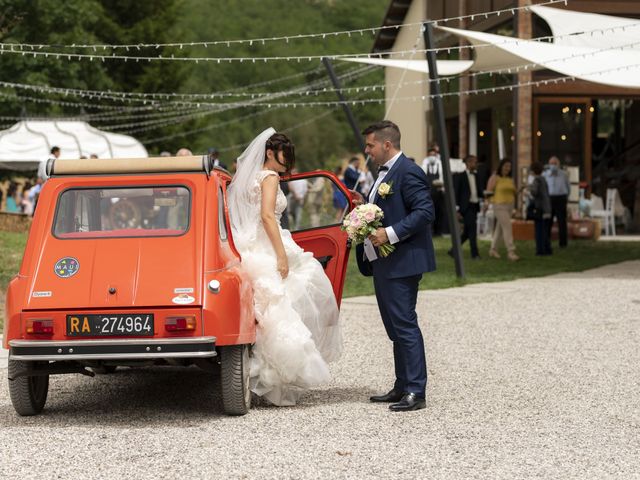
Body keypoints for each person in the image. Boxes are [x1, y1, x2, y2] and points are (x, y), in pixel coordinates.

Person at [227, 128, 341, 406]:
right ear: (269, 153)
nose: (286, 161)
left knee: (268, 309)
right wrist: (280, 254)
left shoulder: (248, 178)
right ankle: (274, 375)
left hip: (250, 243)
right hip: (267, 243)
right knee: (288, 300)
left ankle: (258, 373)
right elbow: (267, 216)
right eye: (283, 155)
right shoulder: (269, 177)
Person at [356, 120, 435, 412]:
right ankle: (402, 385)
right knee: (394, 327)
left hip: (403, 260)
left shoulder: (409, 172)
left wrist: (388, 234)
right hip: (384, 261)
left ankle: (416, 390)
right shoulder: (383, 174)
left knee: (404, 324)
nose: (367, 150)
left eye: (370, 145)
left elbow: (425, 212)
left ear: (387, 145)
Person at [486, 159, 519, 261]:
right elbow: (488, 192)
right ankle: (511, 251)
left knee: (500, 229)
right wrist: (488, 202)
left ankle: (493, 249)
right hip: (499, 205)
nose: (507, 168)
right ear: (501, 166)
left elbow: (515, 192)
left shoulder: (510, 179)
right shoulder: (495, 177)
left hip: (509, 205)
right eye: (506, 166)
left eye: (509, 166)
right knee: (507, 226)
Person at [451, 155, 482, 259]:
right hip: (466, 207)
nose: (475, 164)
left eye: (476, 162)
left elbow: (478, 191)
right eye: (474, 162)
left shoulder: (477, 176)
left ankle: (453, 250)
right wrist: (457, 209)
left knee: (467, 232)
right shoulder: (460, 176)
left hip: (474, 205)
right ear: (468, 163)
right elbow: (456, 193)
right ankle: (475, 254)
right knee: (472, 231)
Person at [543, 155, 570, 248]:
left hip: (561, 198)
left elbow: (568, 187)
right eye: (551, 163)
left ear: (558, 164)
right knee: (548, 221)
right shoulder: (545, 175)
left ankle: (563, 243)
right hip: (549, 199)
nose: (553, 165)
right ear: (548, 164)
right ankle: (546, 242)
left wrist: (566, 198)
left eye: (555, 163)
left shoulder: (564, 174)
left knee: (562, 221)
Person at [529, 162, 552, 256]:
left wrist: (529, 188)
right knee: (545, 231)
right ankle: (548, 249)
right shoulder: (544, 179)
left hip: (540, 208)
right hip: (547, 207)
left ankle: (540, 251)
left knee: (539, 231)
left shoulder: (536, 180)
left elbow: (534, 192)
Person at [421, 148, 445, 236]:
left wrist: (441, 184)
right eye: (430, 155)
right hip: (428, 192)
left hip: (438, 192)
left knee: (439, 212)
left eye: (433, 155)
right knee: (429, 212)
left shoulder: (439, 164)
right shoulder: (425, 163)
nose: (432, 157)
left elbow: (442, 177)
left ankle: (439, 231)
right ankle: (430, 231)